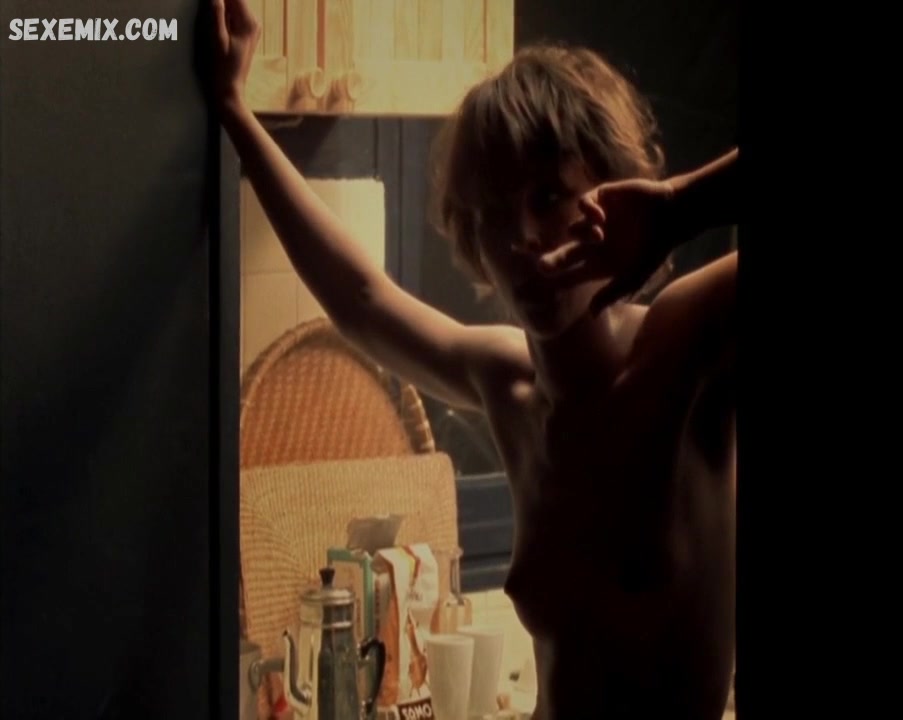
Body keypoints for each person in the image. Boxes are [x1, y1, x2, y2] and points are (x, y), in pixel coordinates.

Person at [212, 0, 737, 717]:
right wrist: (235, 113)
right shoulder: (509, 381)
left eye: (548, 195)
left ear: (616, 190)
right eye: (491, 213)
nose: (520, 236)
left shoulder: (686, 345)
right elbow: (361, 300)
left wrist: (679, 207)